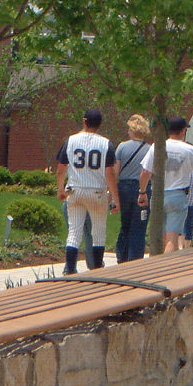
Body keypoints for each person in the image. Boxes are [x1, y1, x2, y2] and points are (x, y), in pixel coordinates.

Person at [137, 117, 193, 253]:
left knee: (163, 237)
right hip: (177, 195)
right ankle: (168, 269)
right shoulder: (189, 150)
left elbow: (145, 172)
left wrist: (142, 192)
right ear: (183, 131)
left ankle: (161, 265)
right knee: (172, 238)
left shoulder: (157, 146)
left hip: (158, 195)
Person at [56, 109, 120, 274]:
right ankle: (97, 269)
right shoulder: (106, 143)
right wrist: (115, 198)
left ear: (84, 121)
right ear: (99, 124)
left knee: (74, 231)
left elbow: (61, 167)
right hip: (97, 191)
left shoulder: (70, 140)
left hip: (75, 190)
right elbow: (109, 173)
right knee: (98, 231)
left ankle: (70, 269)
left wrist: (60, 188)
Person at [114, 114, 151, 263]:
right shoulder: (150, 149)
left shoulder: (122, 147)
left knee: (125, 224)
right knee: (139, 225)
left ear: (132, 130)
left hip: (124, 187)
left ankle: (121, 257)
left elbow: (115, 172)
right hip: (143, 188)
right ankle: (135, 258)